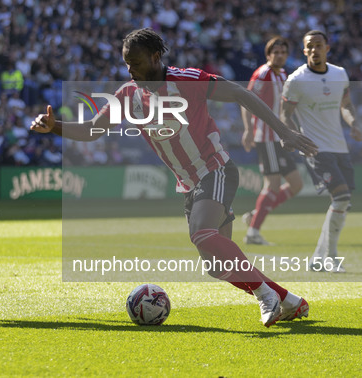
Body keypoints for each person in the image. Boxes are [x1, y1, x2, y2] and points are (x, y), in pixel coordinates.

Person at [31, 28, 317, 327]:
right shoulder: (129, 94)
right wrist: (55, 126)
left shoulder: (187, 80)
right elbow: (93, 129)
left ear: (156, 57)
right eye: (127, 63)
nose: (131, 70)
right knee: (217, 265)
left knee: (201, 233)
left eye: (137, 62)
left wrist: (284, 131)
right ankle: (290, 301)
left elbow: (240, 93)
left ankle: (264, 295)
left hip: (215, 168)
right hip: (189, 184)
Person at [281, 30, 362, 273]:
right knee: (341, 197)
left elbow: (345, 104)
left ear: (327, 47)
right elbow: (285, 114)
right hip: (315, 148)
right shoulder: (296, 80)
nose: (315, 49)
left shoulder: (340, 74)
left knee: (342, 203)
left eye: (319, 45)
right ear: (304, 51)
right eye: (310, 46)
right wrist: (292, 135)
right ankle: (332, 258)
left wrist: (354, 124)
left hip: (339, 146)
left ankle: (318, 257)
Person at [240, 36, 303, 245]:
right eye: (275, 52)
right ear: (268, 55)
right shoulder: (263, 74)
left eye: (283, 52)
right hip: (266, 137)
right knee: (273, 184)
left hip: (281, 138)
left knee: (296, 184)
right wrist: (248, 129)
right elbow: (246, 100)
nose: (280, 55)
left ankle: (255, 215)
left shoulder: (283, 74)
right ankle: (252, 234)